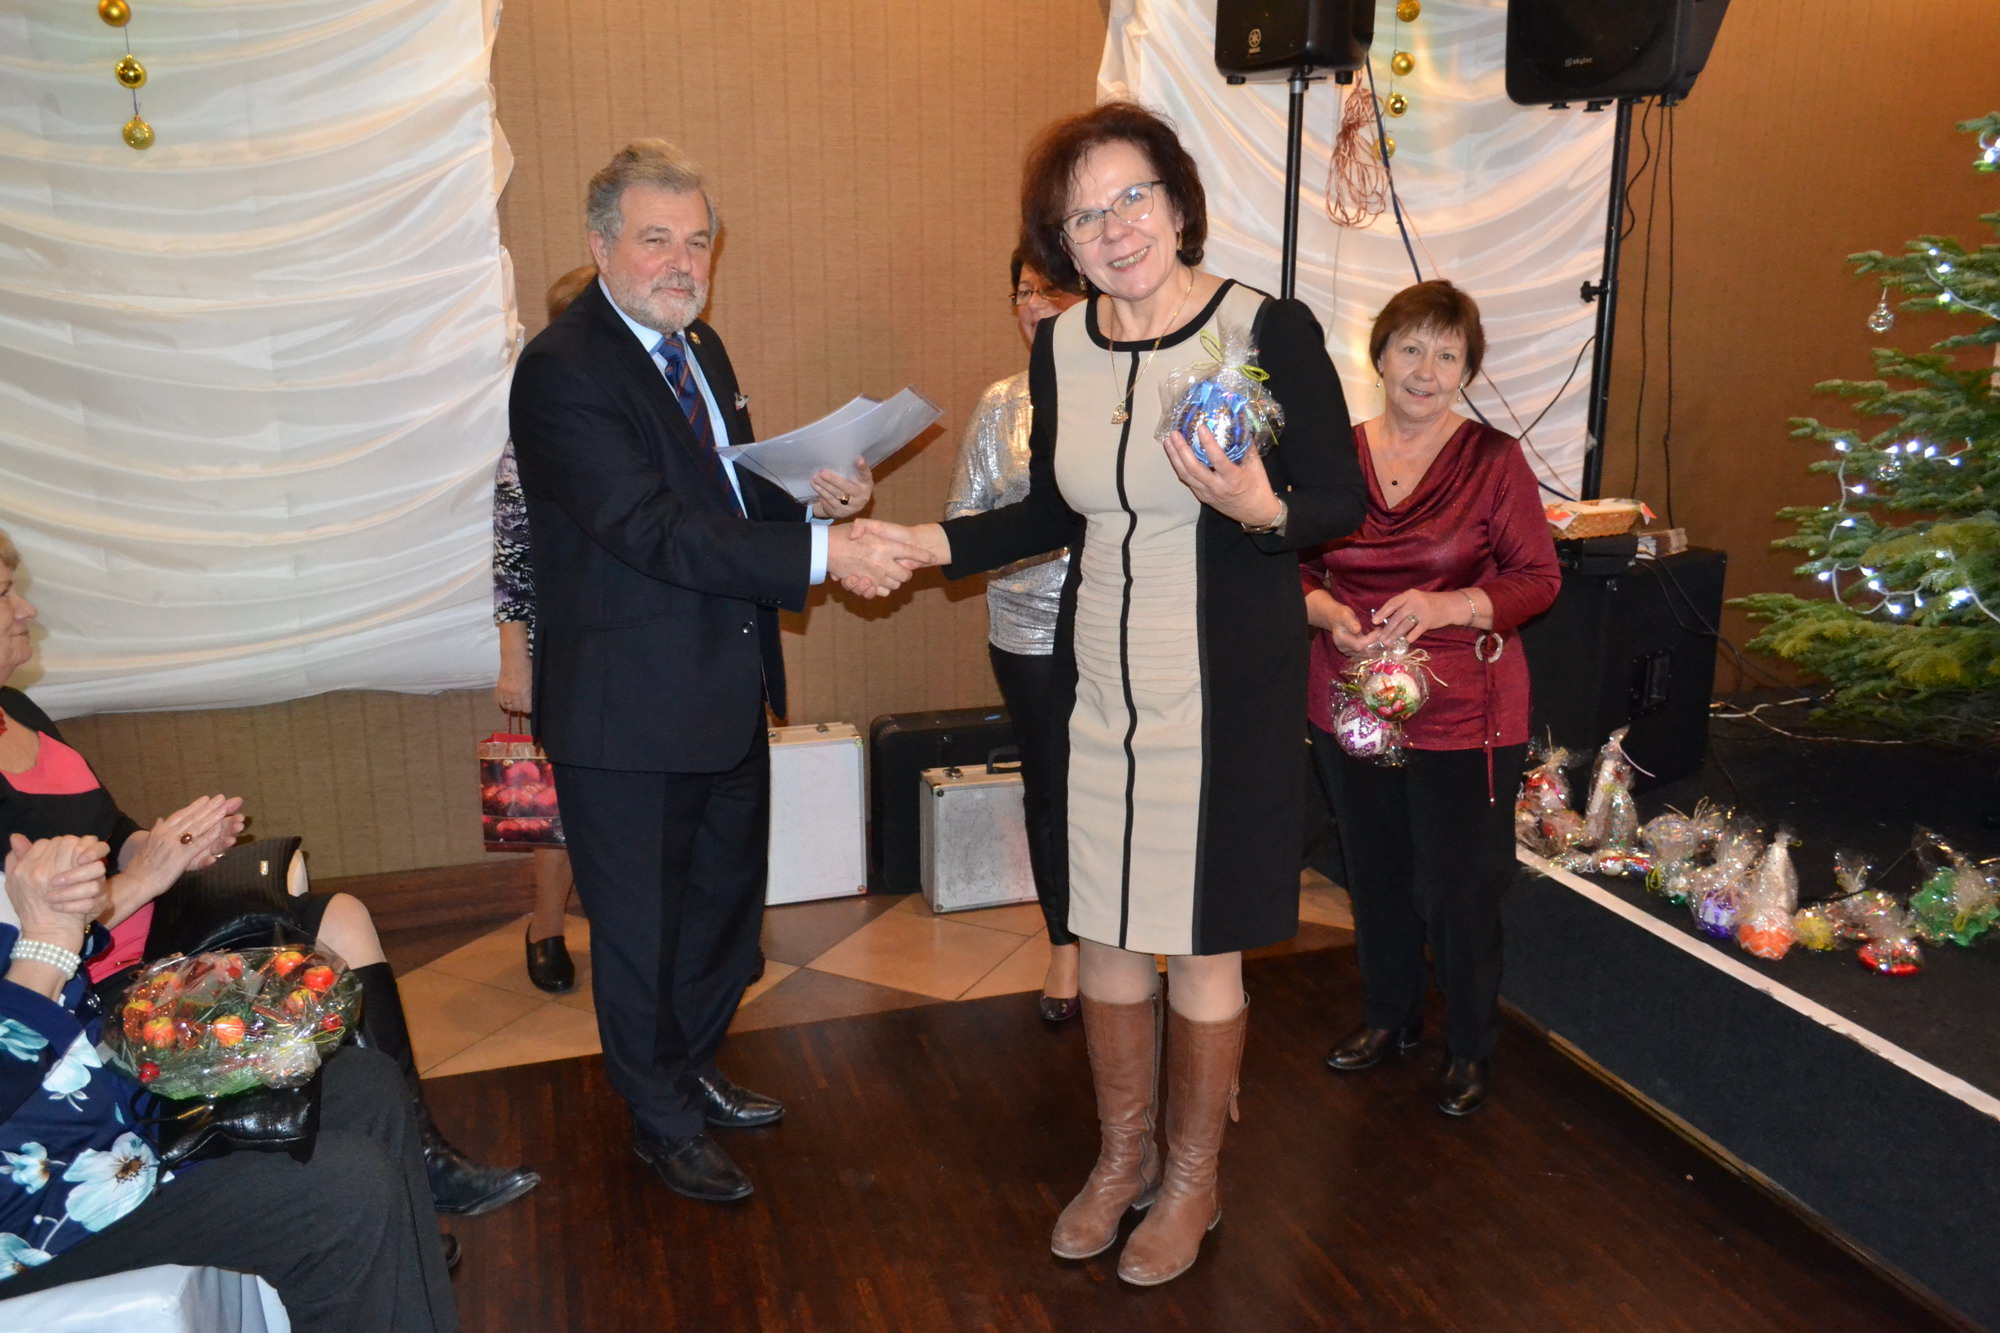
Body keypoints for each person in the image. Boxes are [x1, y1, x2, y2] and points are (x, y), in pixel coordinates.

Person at [871, 102, 1366, 1285]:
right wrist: (930, 543)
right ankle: (1119, 1156)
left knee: (1195, 942)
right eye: (1082, 216)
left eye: (1130, 197)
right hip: (1098, 679)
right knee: (1100, 924)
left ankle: (1190, 1179)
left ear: (1177, 203)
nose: (1112, 228)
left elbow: (1338, 500)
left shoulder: (1264, 328)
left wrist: (1260, 509)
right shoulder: (1064, 347)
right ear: (1064, 243)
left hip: (1222, 688)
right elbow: (1052, 508)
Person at [508, 140, 928, 1205]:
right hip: (628, 714)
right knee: (642, 935)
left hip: (727, 688)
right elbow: (649, 527)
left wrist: (816, 499)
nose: (682, 262)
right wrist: (825, 555)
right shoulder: (562, 369)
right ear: (601, 244)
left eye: (698, 241)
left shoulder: (702, 348)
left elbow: (728, 501)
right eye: (656, 239)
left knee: (721, 919)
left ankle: (689, 1067)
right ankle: (659, 1120)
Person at [0, 531, 539, 1219]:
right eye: (5, 595)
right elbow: (36, 934)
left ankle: (419, 1152)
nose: (26, 610)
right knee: (301, 976)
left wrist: (174, 844)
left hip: (145, 925)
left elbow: (114, 832)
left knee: (342, 915)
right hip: (94, 978)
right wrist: (147, 878)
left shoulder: (19, 710)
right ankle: (362, 1185)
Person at [0, 833, 458, 1331]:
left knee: (364, 1082)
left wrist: (70, 908)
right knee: (345, 1190)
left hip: (114, 1129)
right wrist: (46, 942)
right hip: (44, 1217)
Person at [1300, 279, 1560, 1117]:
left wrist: (1449, 606)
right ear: (1378, 356)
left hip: (1465, 711)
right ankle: (1390, 1017)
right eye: (1411, 348)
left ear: (1467, 372)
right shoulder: (1334, 455)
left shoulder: (1494, 461)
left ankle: (1470, 1046)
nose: (1426, 370)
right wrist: (1329, 614)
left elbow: (1538, 578)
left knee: (1459, 889)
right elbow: (1292, 568)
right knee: (1373, 872)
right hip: (1351, 700)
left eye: (1448, 355)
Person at [942, 248, 1083, 1022]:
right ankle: (1066, 944)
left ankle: (1130, 936)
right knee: (1053, 785)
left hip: (1124, 621)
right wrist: (1038, 535)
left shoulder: (1131, 394)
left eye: (1050, 289)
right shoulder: (1002, 403)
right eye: (1022, 291)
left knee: (1126, 785)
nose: (1032, 305)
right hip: (1029, 627)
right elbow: (963, 523)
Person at [493, 263, 599, 994]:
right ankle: (547, 927)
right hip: (560, 648)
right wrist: (515, 660)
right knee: (555, 798)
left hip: (633, 647)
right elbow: (511, 559)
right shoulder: (530, 437)